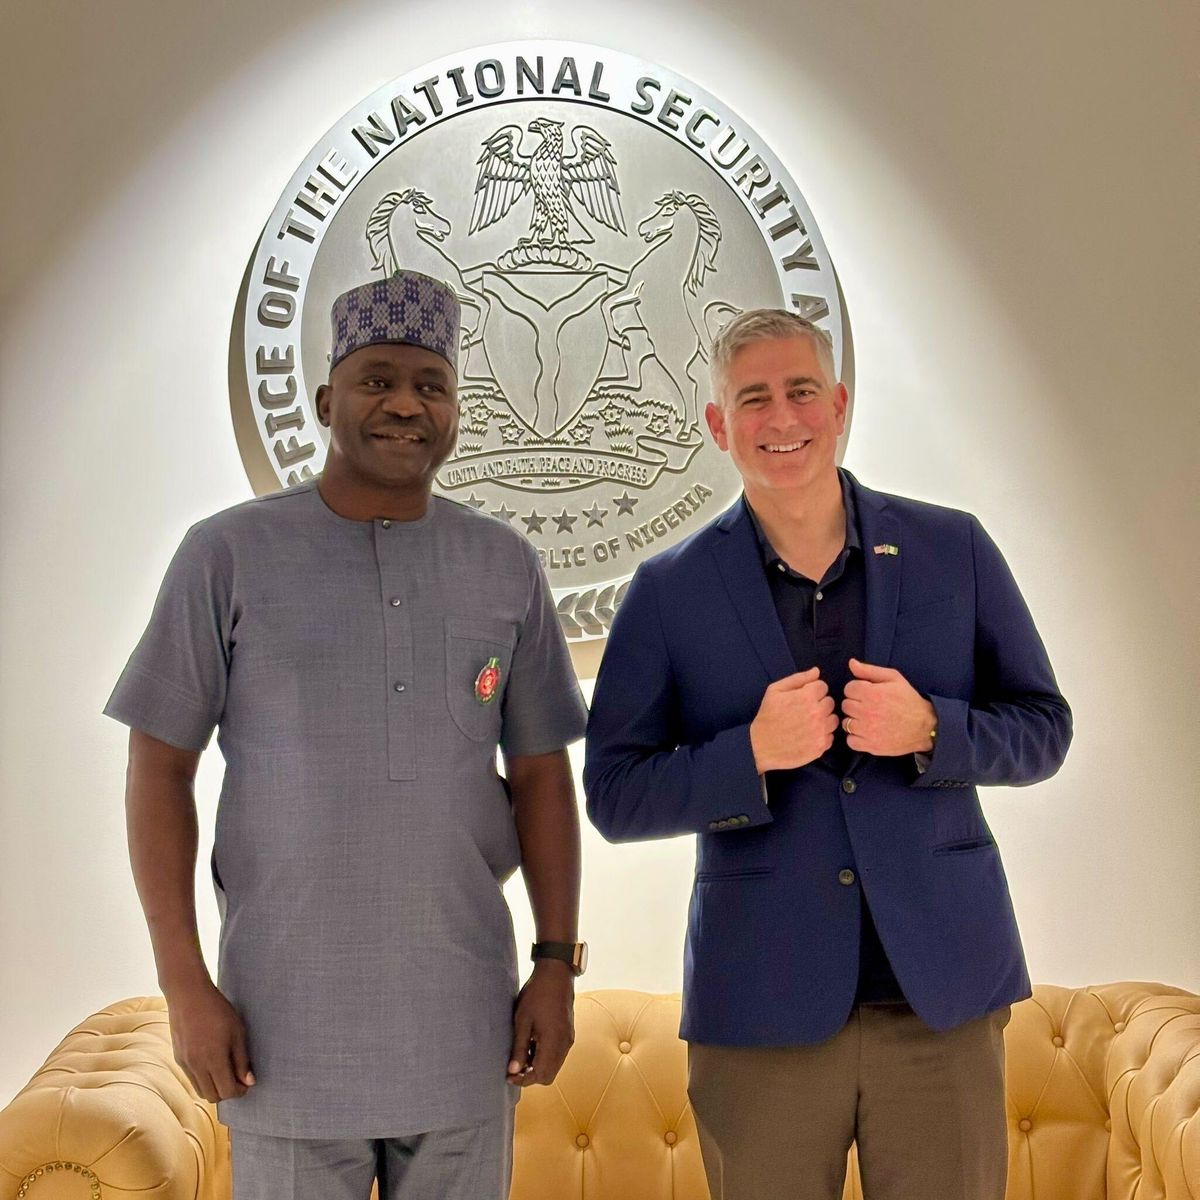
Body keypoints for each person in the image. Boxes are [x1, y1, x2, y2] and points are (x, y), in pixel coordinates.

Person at [105, 271, 589, 1200]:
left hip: (461, 1031)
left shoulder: (505, 563)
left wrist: (557, 964)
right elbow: (158, 767)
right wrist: (183, 984)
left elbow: (539, 776)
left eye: (430, 384)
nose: (405, 403)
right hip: (282, 1036)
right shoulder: (228, 554)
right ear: (328, 399)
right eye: (377, 380)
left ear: (456, 410)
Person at [584, 309, 1072, 1200]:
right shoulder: (667, 591)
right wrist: (749, 756)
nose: (783, 418)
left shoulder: (950, 547)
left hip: (942, 996)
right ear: (718, 424)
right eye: (754, 398)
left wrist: (934, 731)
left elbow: (1044, 728)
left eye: (802, 390)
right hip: (759, 1008)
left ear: (839, 404)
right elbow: (614, 794)